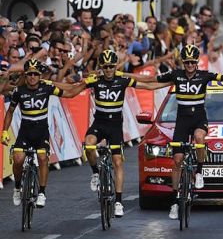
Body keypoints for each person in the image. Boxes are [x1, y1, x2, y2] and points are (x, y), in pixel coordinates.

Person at [126, 44, 223, 219]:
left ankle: (199, 171)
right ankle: (176, 200)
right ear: (183, 62)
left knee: (200, 138)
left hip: (199, 119)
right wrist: (125, 77)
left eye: (192, 62)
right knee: (177, 160)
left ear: (196, 62)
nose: (190, 65)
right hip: (182, 121)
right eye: (187, 62)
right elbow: (150, 83)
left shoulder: (205, 75)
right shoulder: (176, 75)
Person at [70, 50, 168, 217]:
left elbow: (147, 84)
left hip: (115, 125)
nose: (108, 69)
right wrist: (51, 85)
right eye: (105, 66)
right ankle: (95, 173)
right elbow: (73, 91)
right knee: (88, 144)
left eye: (111, 66)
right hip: (99, 123)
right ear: (101, 67)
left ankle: (118, 202)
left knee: (117, 161)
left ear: (116, 67)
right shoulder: (96, 80)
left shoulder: (123, 80)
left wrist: (168, 82)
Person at [1, 60, 81, 207]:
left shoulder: (47, 87)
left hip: (41, 131)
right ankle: (18, 188)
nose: (32, 77)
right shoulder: (19, 91)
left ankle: (42, 192)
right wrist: (4, 131)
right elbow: (10, 111)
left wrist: (84, 85)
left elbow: (69, 93)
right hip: (25, 131)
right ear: (25, 75)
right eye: (29, 74)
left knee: (43, 158)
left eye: (35, 74)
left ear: (39, 76)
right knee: (18, 160)